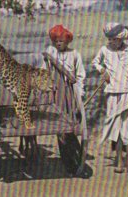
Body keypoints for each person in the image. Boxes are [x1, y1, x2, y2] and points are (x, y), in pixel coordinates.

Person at [91, 22, 128, 175]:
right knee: (116, 129)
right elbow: (95, 63)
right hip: (112, 94)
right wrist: (102, 70)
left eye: (114, 40)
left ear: (121, 38)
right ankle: (118, 161)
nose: (111, 42)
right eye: (109, 40)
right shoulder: (105, 50)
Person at [42, 24, 88, 175]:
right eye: (56, 41)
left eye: (61, 41)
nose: (58, 43)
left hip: (70, 93)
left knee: (71, 126)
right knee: (60, 128)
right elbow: (43, 72)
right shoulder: (50, 53)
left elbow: (80, 75)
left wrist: (79, 94)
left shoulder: (75, 54)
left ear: (67, 41)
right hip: (55, 94)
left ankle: (76, 158)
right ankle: (68, 162)